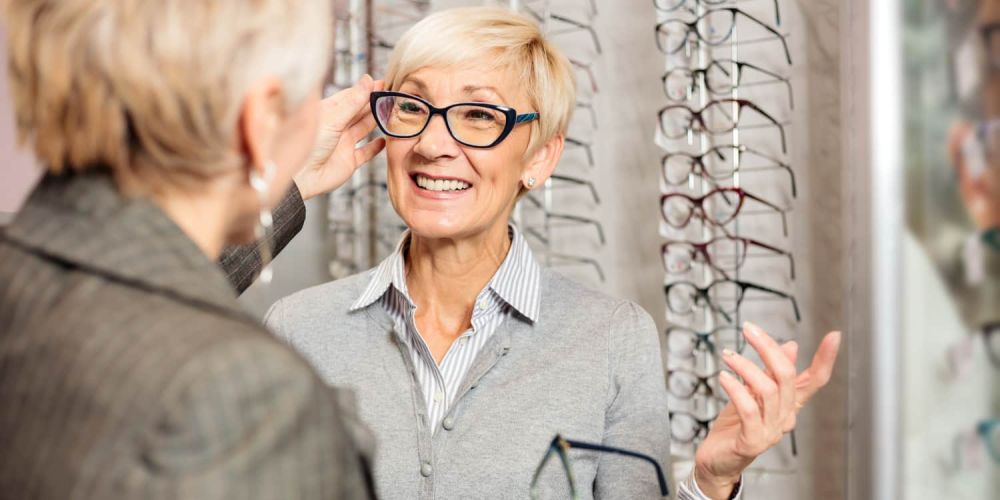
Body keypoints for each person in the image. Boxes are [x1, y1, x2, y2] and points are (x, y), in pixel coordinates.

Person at [265, 7, 842, 500]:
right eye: (412, 108)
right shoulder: (299, 329)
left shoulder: (613, 338)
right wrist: (283, 183)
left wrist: (710, 482)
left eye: (478, 116)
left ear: (540, 159)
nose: (433, 144)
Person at [0, 0, 385, 497]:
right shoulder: (251, 402)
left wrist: (272, 178)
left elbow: (123, 307)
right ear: (261, 116)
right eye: (315, 89)